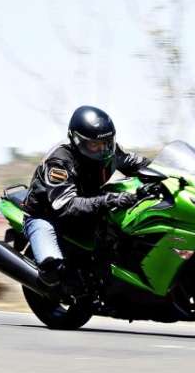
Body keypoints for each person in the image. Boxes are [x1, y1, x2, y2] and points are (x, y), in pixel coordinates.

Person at [23, 105, 151, 288]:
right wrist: (110, 199)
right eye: (94, 144)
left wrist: (169, 175)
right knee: (53, 269)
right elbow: (67, 206)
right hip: (48, 215)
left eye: (106, 142)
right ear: (77, 140)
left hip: (88, 207)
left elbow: (142, 164)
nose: (102, 149)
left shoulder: (110, 152)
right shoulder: (60, 161)